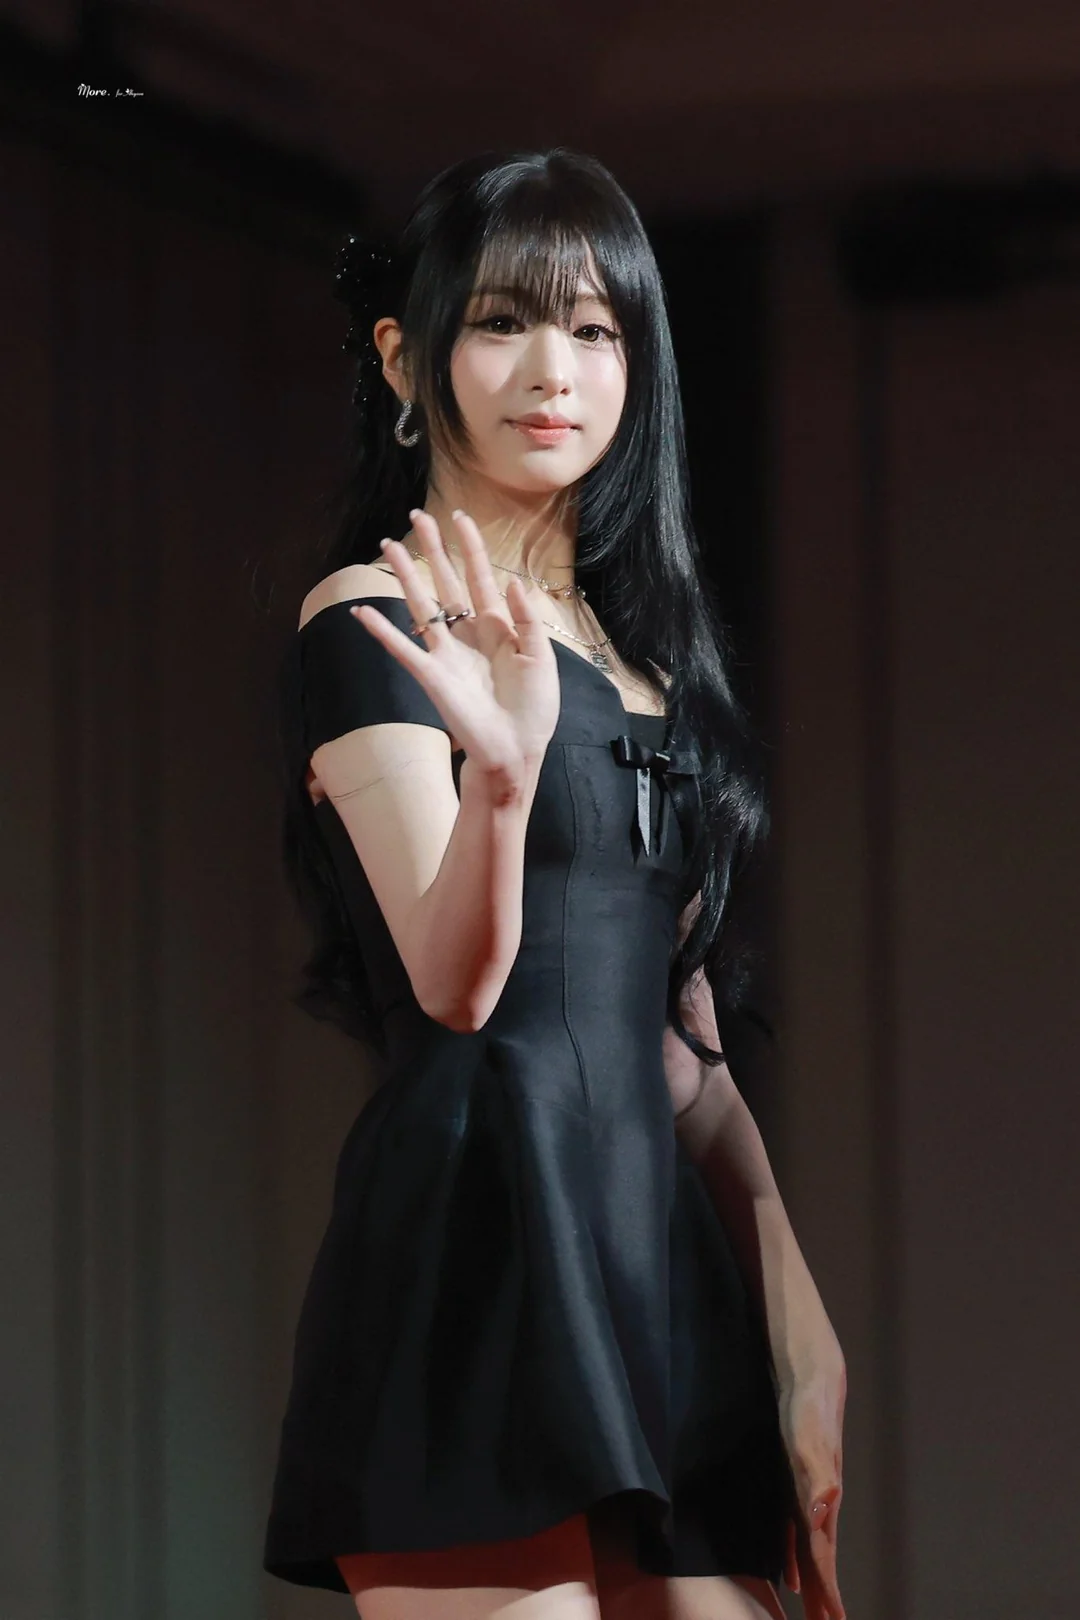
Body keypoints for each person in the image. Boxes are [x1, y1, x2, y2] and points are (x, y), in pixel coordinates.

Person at [264, 148, 847, 1620]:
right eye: (504, 322)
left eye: (596, 330)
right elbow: (456, 989)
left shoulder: (649, 660)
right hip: (475, 1240)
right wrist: (507, 778)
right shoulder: (372, 620)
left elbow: (684, 1053)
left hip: (655, 1260)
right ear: (407, 357)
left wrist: (792, 1315)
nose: (555, 370)